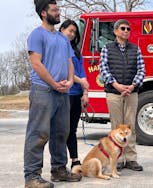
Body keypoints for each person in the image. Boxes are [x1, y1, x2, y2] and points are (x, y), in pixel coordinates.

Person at [24, 1, 82, 188]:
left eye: (58, 9)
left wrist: (71, 80)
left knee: (61, 133)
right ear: (43, 13)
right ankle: (32, 177)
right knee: (38, 134)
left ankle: (59, 170)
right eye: (55, 10)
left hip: (62, 92)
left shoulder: (63, 38)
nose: (59, 13)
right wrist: (53, 83)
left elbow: (69, 62)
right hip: (43, 90)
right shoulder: (36, 35)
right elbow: (36, 64)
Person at [100, 19, 145, 171]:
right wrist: (116, 85)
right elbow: (104, 69)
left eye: (128, 29)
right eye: (123, 28)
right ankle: (117, 159)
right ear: (115, 31)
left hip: (131, 92)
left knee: (130, 126)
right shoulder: (107, 48)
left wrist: (132, 86)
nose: (126, 31)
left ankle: (131, 159)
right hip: (113, 93)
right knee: (116, 126)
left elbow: (141, 70)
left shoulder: (136, 49)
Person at [59, 19, 89, 170]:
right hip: (65, 94)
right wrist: (81, 81)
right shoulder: (59, 48)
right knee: (62, 130)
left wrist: (85, 92)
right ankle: (59, 163)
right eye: (69, 30)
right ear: (62, 29)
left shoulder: (77, 52)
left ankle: (75, 160)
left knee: (72, 130)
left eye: (74, 32)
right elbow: (65, 69)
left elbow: (82, 73)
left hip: (77, 94)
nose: (72, 34)